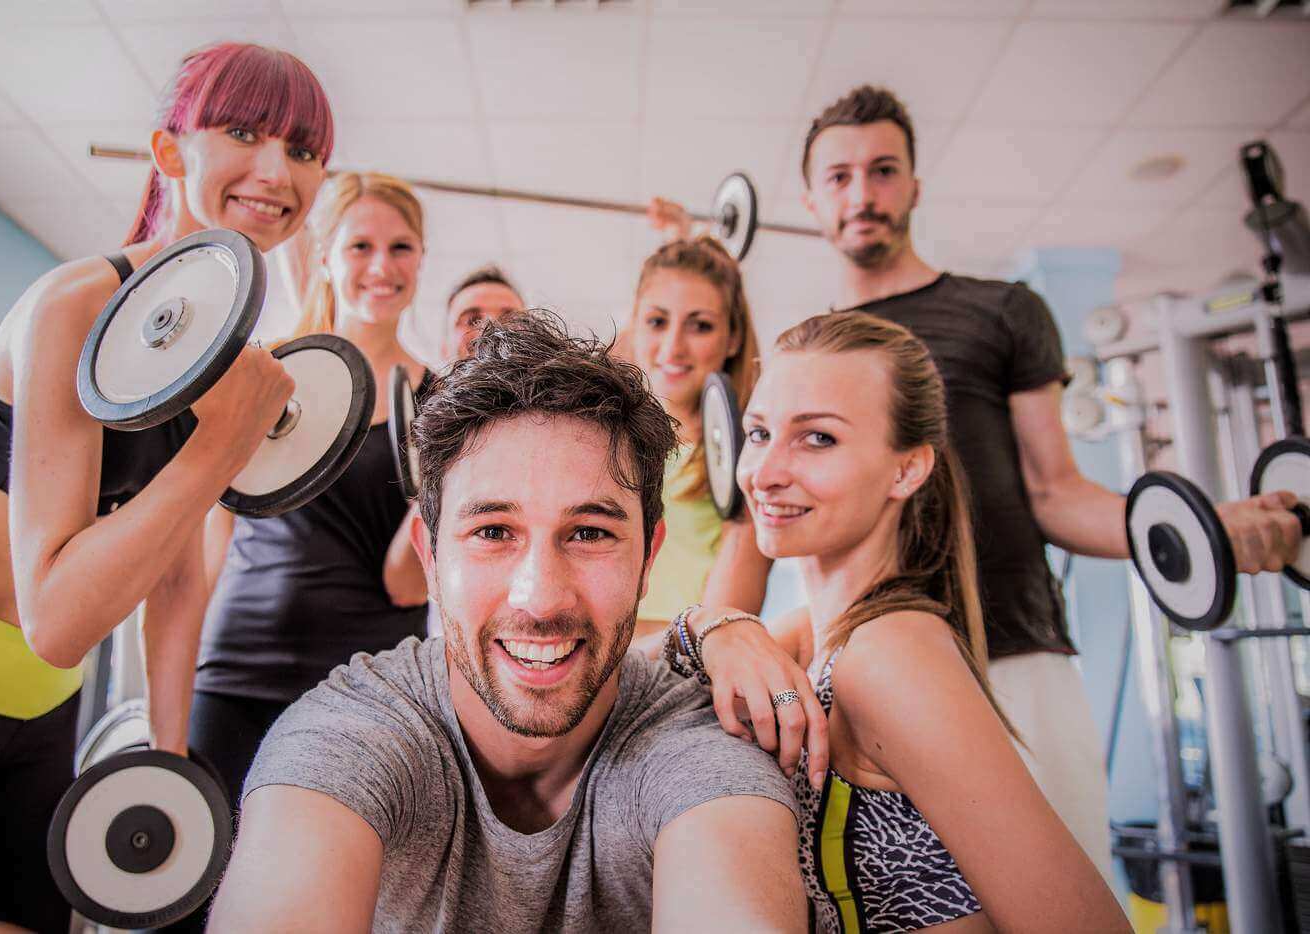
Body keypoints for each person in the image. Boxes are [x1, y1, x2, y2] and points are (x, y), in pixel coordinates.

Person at [790, 83, 1305, 887]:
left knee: (1063, 895)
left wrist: (1208, 528)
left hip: (1014, 657)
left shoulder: (1004, 311)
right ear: (811, 198)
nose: (863, 194)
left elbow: (1058, 493)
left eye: (884, 171)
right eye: (840, 176)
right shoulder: (806, 358)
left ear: (915, 187)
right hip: (865, 673)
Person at [0, 42, 332, 932]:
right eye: (245, 132)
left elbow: (173, 574)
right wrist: (223, 446)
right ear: (171, 152)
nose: (274, 171)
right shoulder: (74, 306)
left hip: (41, 713)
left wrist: (169, 759)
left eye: (301, 150)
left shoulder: (226, 355)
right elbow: (57, 619)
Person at [209, 313, 807, 933]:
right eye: (493, 532)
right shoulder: (348, 734)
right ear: (431, 555)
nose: (541, 599)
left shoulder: (701, 751)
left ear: (648, 556)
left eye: (590, 533)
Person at [670, 311, 1130, 933]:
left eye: (818, 439)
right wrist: (711, 622)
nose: (766, 472)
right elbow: (622, 689)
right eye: (758, 434)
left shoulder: (890, 652)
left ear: (907, 469)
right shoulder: (810, 634)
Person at [176, 172, 431, 929]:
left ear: (422, 259)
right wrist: (175, 679)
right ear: (324, 256)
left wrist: (430, 490)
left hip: (359, 685)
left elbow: (407, 584)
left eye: (401, 247)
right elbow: (208, 538)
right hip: (234, 668)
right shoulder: (264, 370)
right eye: (360, 245)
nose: (381, 267)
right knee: (191, 886)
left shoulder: (441, 400)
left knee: (319, 899)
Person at [617, 236, 772, 642]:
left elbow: (720, 633)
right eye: (657, 321)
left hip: (676, 683)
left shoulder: (749, 460)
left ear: (733, 338)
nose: (673, 347)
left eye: (700, 325)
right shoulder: (607, 442)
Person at [379, 263, 527, 613]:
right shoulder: (432, 454)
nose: (490, 328)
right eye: (471, 318)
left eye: (509, 316)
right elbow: (405, 587)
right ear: (445, 347)